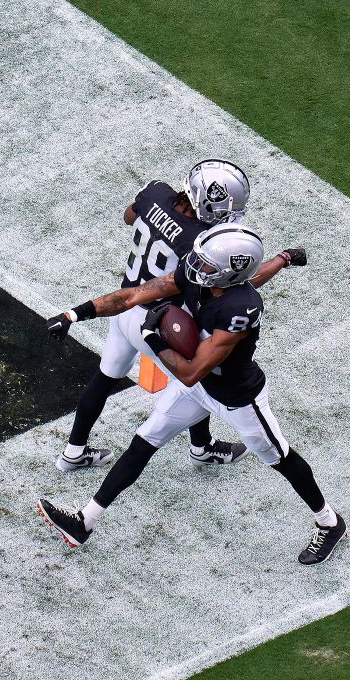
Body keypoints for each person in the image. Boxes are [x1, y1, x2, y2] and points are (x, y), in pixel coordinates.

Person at [40, 224, 347, 565]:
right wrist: (74, 314)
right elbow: (132, 296)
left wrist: (153, 337)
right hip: (201, 387)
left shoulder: (240, 310)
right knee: (143, 441)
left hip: (236, 397)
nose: (195, 268)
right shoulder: (209, 277)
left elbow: (189, 372)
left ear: (228, 276)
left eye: (206, 266)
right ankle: (85, 522)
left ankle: (329, 521)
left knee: (281, 458)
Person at [48, 159, 254, 473]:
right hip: (160, 322)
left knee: (104, 378)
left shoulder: (156, 192)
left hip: (124, 306)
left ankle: (73, 451)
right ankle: (203, 447)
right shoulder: (200, 238)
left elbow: (130, 216)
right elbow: (219, 279)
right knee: (199, 379)